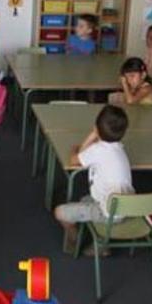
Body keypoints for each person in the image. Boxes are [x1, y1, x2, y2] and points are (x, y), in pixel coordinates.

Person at [54, 105, 133, 256]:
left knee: (59, 212)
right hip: (126, 206)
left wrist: (91, 135)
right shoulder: (119, 148)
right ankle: (102, 241)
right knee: (85, 199)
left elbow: (73, 160)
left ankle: (79, 240)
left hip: (109, 212)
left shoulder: (98, 150)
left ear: (97, 127)